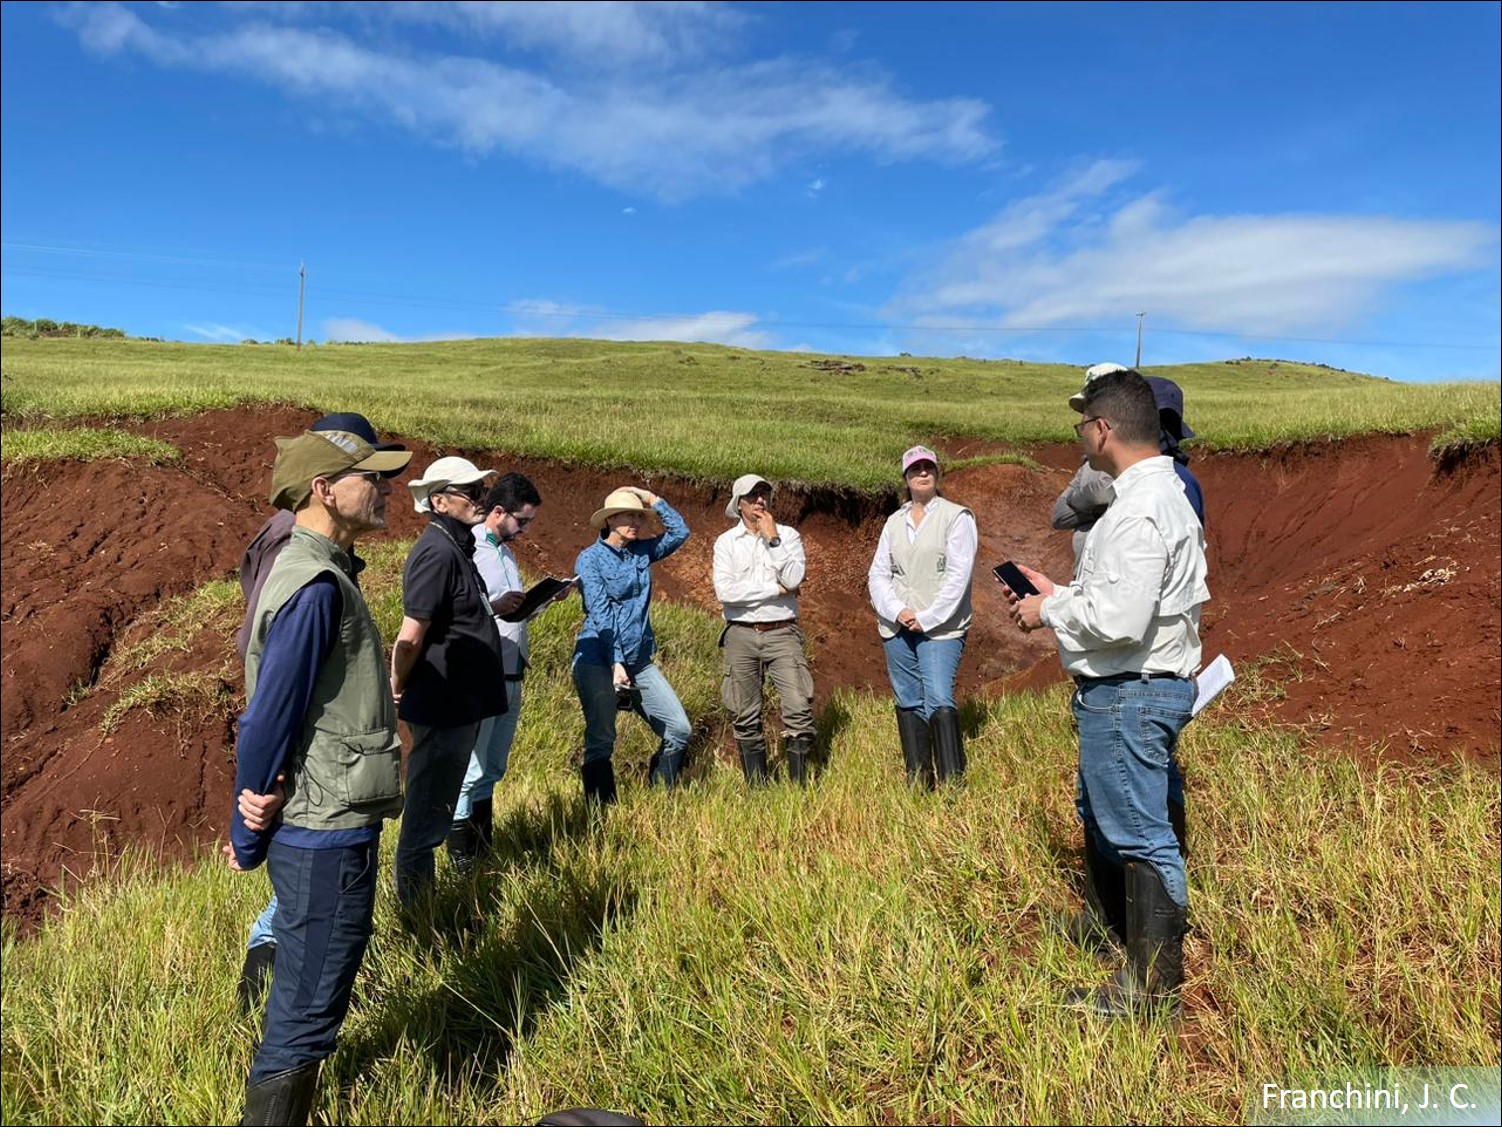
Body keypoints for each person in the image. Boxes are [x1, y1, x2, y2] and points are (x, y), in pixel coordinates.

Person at [1005, 368, 1210, 1016]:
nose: (1082, 439)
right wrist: (1057, 593)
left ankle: (1149, 993)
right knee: (1129, 827)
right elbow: (1125, 605)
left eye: (1082, 427)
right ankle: (1140, 964)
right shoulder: (1157, 497)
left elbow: (1120, 623)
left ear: (1103, 429)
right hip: (1135, 685)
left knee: (1142, 836)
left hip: (1129, 692)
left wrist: (1047, 613)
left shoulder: (1138, 508)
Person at [224, 424, 412, 1124]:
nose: (386, 487)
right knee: (306, 1012)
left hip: (324, 820)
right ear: (324, 489)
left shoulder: (317, 568)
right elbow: (268, 717)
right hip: (325, 834)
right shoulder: (316, 586)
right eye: (372, 476)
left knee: (306, 997)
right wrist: (248, 827)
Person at [390, 457, 508, 908]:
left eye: (481, 491)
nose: (481, 499)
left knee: (436, 812)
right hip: (442, 705)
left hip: (459, 705)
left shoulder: (456, 548)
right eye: (470, 493)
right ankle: (417, 915)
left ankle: (425, 907)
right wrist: (397, 684)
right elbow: (410, 635)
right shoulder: (436, 551)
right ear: (438, 501)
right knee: (424, 820)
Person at [446, 472, 571, 870]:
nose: (525, 529)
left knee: (492, 767)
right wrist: (497, 605)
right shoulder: (473, 550)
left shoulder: (507, 552)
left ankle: (481, 853)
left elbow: (512, 611)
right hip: (485, 673)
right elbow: (463, 609)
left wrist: (545, 598)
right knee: (473, 769)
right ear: (498, 512)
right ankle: (462, 862)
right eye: (522, 520)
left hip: (512, 670)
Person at [572, 486, 691, 805]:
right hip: (598, 658)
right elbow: (600, 613)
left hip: (637, 660)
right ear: (609, 520)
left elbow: (681, 531)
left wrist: (651, 498)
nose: (636, 521)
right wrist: (616, 662)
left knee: (679, 729)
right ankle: (601, 815)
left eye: (640, 516)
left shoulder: (643, 551)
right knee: (601, 739)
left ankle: (660, 801)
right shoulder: (590, 560)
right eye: (629, 515)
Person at [867, 446, 977, 788]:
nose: (923, 473)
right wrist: (897, 611)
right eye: (916, 469)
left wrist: (926, 618)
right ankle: (918, 779)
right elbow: (878, 575)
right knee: (908, 699)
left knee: (939, 697)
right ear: (906, 477)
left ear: (937, 473)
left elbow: (959, 576)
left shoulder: (957, 517)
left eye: (929, 467)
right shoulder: (893, 522)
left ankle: (952, 784)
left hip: (940, 628)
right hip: (897, 626)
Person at [712, 474, 816, 785]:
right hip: (740, 633)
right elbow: (727, 593)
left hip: (782, 632)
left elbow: (795, 578)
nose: (760, 500)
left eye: (765, 494)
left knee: (798, 707)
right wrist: (775, 588)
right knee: (745, 713)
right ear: (738, 504)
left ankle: (798, 789)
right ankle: (757, 788)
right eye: (753, 495)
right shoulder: (726, 543)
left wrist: (773, 540)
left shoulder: (788, 536)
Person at [1051, 364, 1204, 567]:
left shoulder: (1155, 489)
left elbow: (1126, 594)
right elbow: (1058, 516)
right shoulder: (1171, 480)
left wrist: (1082, 501)